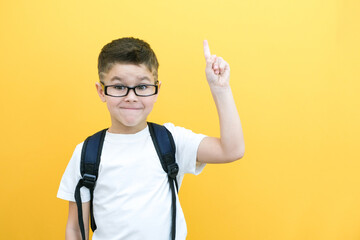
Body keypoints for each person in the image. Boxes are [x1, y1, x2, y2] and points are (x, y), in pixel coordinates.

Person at [57, 37, 245, 240]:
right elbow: (76, 229)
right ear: (101, 91)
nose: (131, 97)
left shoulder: (171, 140)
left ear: (157, 90)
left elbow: (232, 150)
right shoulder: (87, 153)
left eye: (143, 87)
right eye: (119, 87)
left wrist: (221, 89)